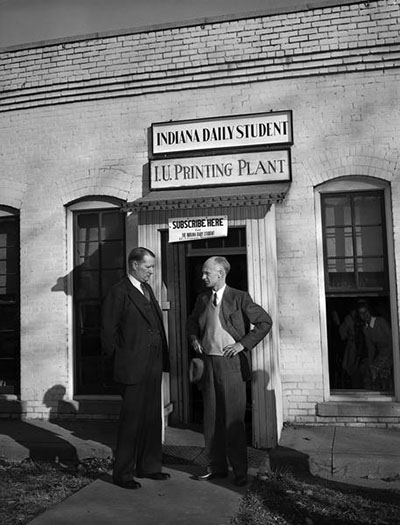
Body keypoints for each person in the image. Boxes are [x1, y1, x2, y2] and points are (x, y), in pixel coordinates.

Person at [187, 256, 272, 487]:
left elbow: (265, 322)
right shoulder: (202, 298)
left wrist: (242, 344)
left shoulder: (239, 297)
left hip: (231, 365)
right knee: (211, 420)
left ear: (220, 273)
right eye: (203, 273)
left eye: (207, 273)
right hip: (208, 365)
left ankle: (241, 472)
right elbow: (192, 322)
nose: (203, 276)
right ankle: (216, 467)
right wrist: (194, 337)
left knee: (233, 421)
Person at [101, 247, 170, 489]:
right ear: (133, 265)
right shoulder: (119, 292)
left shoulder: (147, 289)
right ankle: (123, 474)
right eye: (148, 267)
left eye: (152, 266)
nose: (152, 271)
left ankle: (149, 467)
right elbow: (107, 333)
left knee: (152, 417)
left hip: (153, 363)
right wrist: (120, 362)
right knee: (131, 421)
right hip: (131, 366)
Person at [357, 300, 393, 392]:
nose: (364, 315)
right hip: (381, 354)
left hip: (391, 351)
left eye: (366, 312)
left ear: (370, 311)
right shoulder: (366, 329)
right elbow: (371, 348)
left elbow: (391, 338)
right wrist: (370, 361)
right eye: (361, 313)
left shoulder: (380, 321)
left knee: (377, 370)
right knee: (371, 371)